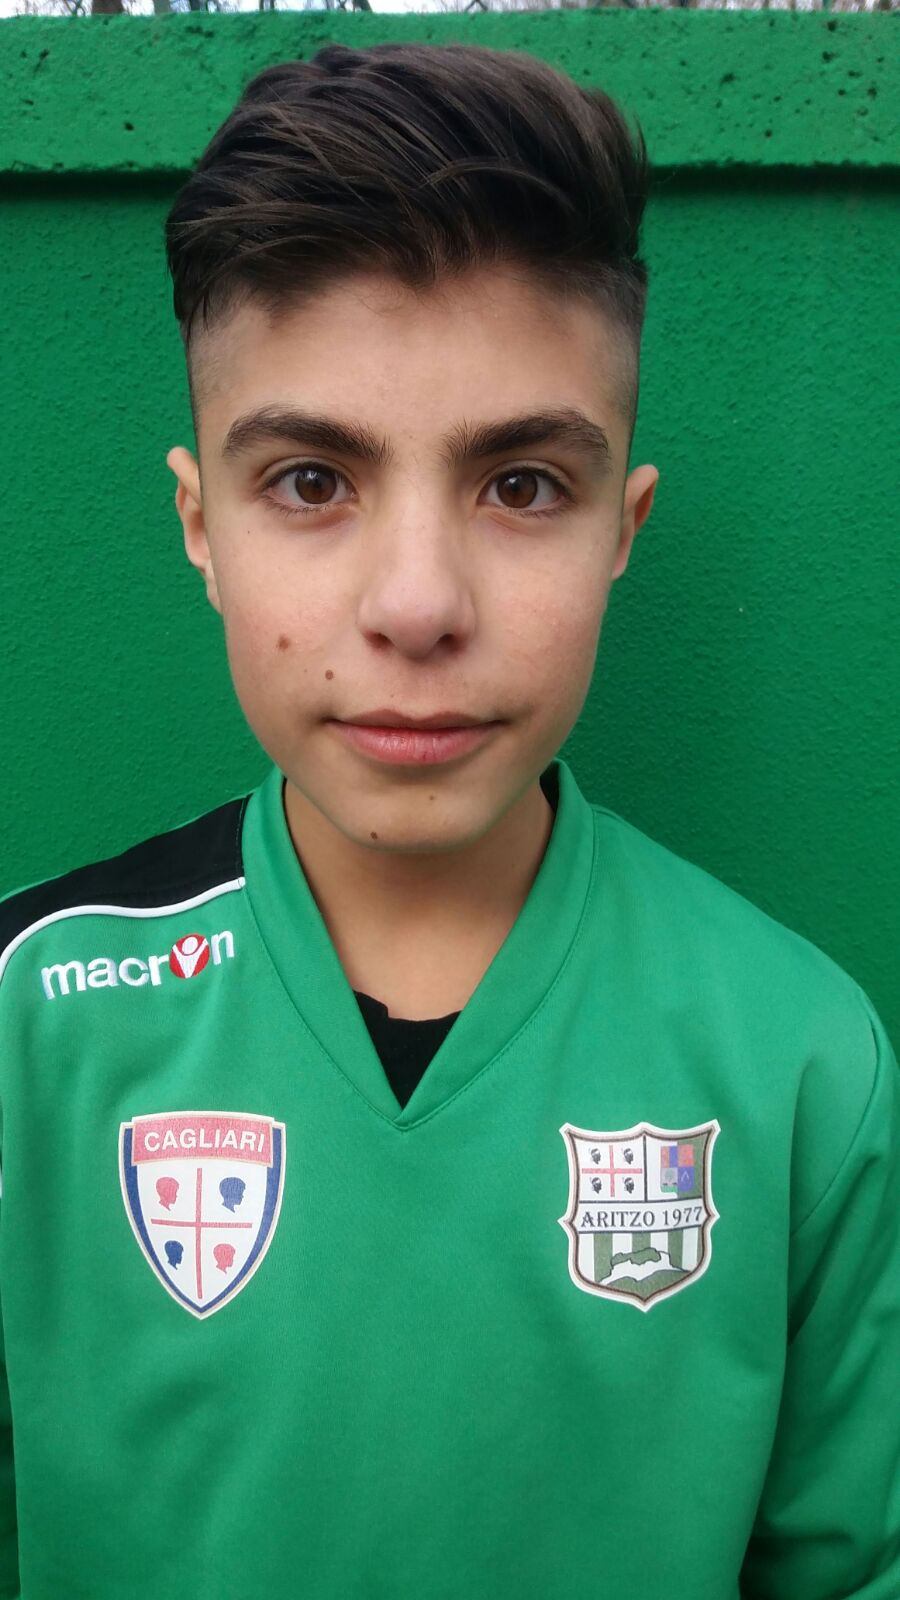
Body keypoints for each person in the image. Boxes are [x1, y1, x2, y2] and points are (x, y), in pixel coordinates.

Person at [0, 39, 896, 1600]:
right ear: (200, 525)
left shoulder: (799, 1059)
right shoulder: (29, 1026)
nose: (418, 604)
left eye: (523, 486)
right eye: (310, 482)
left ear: (623, 531)